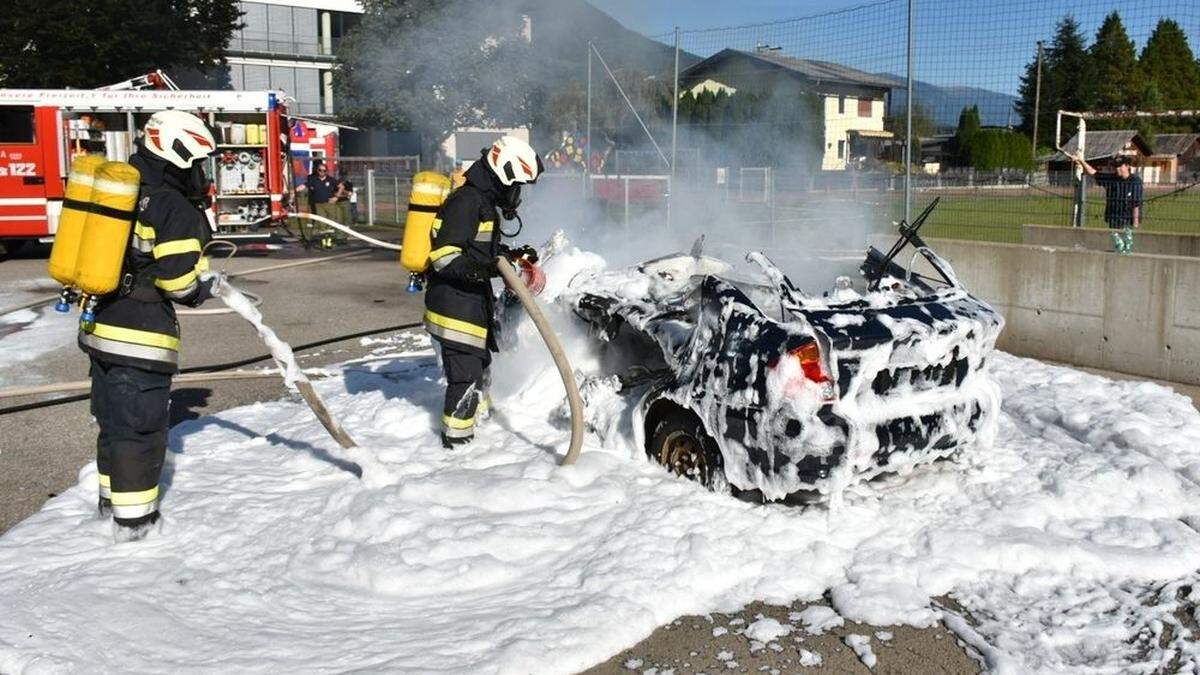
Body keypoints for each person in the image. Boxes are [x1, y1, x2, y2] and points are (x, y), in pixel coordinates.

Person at [78, 110, 219, 541]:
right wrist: (203, 289)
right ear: (177, 152)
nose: (200, 172)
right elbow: (178, 283)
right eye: (196, 162)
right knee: (140, 432)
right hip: (140, 335)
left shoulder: (124, 185)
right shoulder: (171, 205)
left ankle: (109, 505)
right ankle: (135, 526)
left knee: (115, 426)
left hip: (101, 325)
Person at [424, 136, 543, 448]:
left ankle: (484, 427)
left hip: (469, 304)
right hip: (455, 308)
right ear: (502, 176)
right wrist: (489, 270)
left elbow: (478, 249)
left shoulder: (482, 202)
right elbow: (444, 258)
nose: (517, 194)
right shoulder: (466, 202)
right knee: (465, 377)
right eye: (516, 185)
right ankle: (458, 443)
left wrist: (513, 256)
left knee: (480, 367)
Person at [1073, 154, 1143, 254]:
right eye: (1115, 166)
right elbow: (1093, 173)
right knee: (1119, 245)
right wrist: (1081, 161)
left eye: (1120, 166)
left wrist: (1135, 221)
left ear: (1127, 166)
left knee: (1128, 247)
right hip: (1114, 217)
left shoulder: (1135, 181)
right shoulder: (1111, 179)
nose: (1117, 169)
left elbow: (1136, 203)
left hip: (1128, 219)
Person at [303, 159, 339, 248]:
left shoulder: (331, 180)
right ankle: (322, 240)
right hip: (318, 204)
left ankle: (329, 241)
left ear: (327, 171)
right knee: (321, 223)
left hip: (329, 204)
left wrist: (336, 197)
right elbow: (304, 185)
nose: (322, 172)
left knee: (331, 222)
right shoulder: (313, 179)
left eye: (324, 170)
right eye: (320, 170)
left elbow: (340, 186)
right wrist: (294, 191)